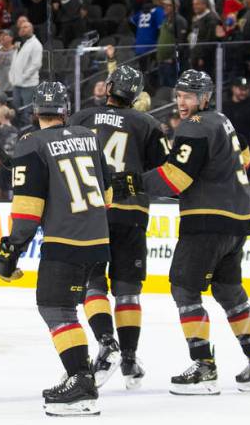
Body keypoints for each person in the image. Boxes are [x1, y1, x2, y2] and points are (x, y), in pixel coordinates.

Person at [117, 70, 250, 394]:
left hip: (207, 220)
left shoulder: (195, 126)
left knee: (184, 288)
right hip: (238, 218)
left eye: (188, 96)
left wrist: (132, 182)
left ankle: (204, 367)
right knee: (230, 292)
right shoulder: (223, 121)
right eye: (178, 95)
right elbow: (245, 158)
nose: (181, 102)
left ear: (205, 97)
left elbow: (176, 178)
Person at [0, 81, 110, 416]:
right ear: (65, 109)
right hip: (98, 239)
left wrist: (10, 251)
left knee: (56, 309)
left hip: (65, 240)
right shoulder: (89, 137)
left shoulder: (31, 144)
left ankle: (81, 383)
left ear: (34, 111)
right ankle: (80, 375)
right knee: (69, 306)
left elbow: (28, 212)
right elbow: (108, 190)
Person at [70, 66, 169, 389]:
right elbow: (164, 176)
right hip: (132, 214)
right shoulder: (148, 124)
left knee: (94, 283)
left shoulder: (83, 118)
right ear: (136, 95)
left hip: (93, 213)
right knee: (127, 289)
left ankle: (105, 343)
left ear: (109, 87)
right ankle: (128, 359)